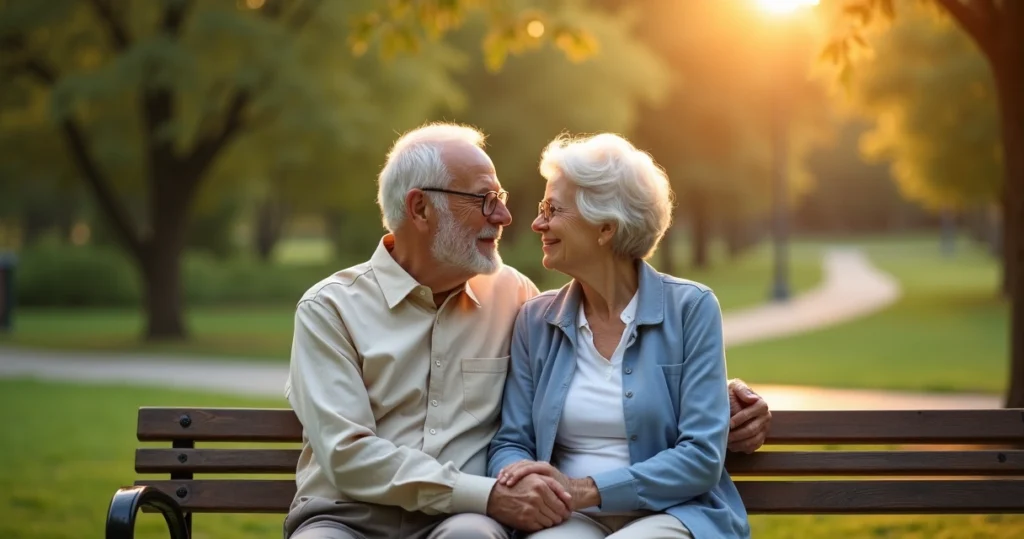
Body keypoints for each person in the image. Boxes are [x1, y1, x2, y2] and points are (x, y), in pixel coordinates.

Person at [283, 123, 771, 539]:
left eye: (506, 199)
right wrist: (492, 493)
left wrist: (722, 393)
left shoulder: (513, 297)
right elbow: (349, 455)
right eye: (485, 200)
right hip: (348, 516)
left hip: (464, 521)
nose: (510, 217)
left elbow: (639, 356)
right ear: (421, 209)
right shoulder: (330, 309)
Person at [487, 133, 750, 538]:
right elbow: (511, 441)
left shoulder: (691, 309)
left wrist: (586, 490)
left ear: (605, 227)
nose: (538, 223)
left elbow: (700, 456)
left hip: (675, 513)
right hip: (569, 516)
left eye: (552, 209)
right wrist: (521, 479)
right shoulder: (535, 321)